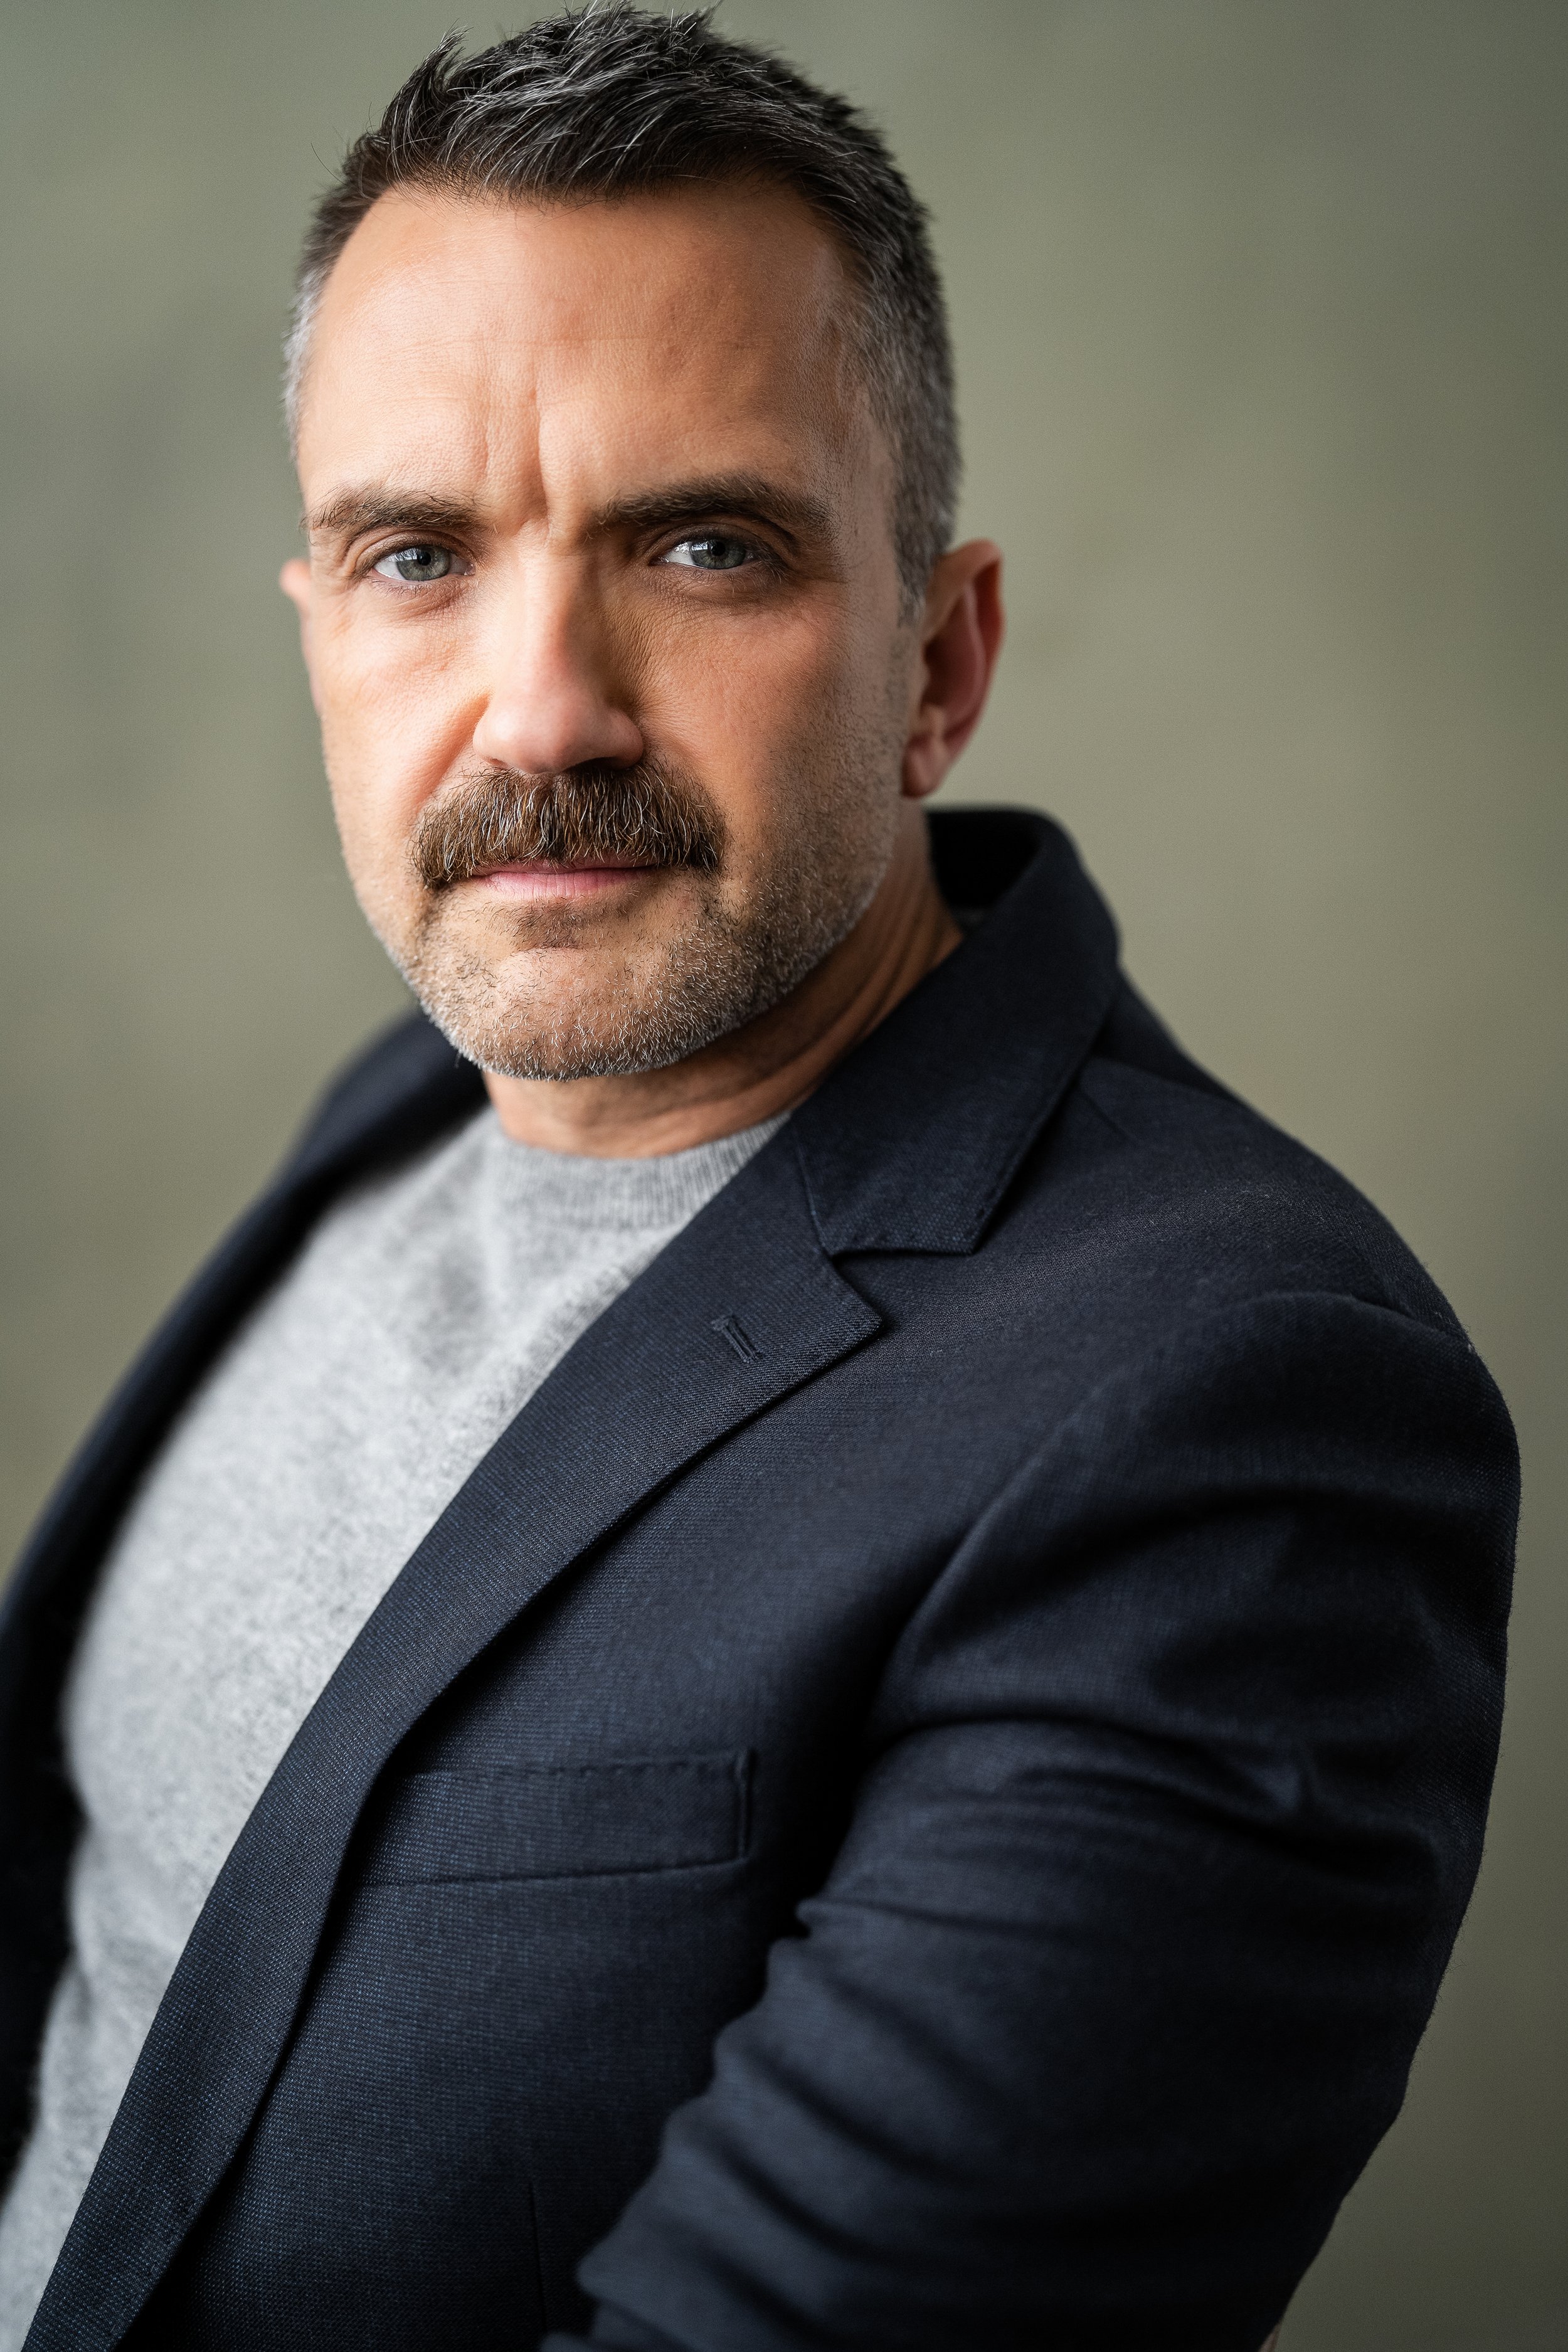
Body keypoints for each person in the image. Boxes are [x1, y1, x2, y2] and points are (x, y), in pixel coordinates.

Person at [0, 9, 1517, 2349]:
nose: (540, 709)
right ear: (319, 634)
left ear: (937, 662)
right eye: (417, 555)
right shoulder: (416, 1103)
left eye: (703, 546)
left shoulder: (1232, 1411)